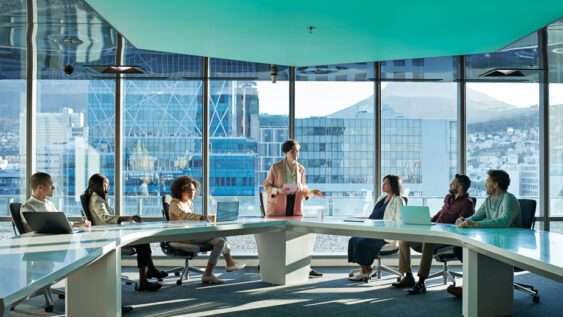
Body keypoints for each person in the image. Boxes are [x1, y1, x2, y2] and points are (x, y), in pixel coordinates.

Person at [392, 174, 475, 294]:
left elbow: (461, 225)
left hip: (447, 238)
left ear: (460, 186)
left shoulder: (467, 203)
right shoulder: (448, 198)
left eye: (453, 183)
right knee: (404, 240)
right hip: (435, 232)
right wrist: (428, 220)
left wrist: (443, 227)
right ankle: (408, 276)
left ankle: (421, 282)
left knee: (428, 241)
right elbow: (441, 213)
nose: (450, 185)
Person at [85, 173, 167, 292]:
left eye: (107, 184)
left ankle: (150, 270)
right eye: (104, 184)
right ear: (98, 185)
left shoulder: (98, 198)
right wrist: (128, 218)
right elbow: (105, 218)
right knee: (142, 243)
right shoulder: (96, 199)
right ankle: (145, 279)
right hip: (106, 236)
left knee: (143, 241)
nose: (107, 187)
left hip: (109, 233)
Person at [447, 169, 521, 298]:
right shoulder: (489, 200)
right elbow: (476, 217)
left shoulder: (508, 198)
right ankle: (473, 286)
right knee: (461, 249)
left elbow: (503, 222)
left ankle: (470, 289)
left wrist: (476, 225)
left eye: (487, 182)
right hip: (494, 239)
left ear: (496, 184)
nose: (485, 185)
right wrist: (464, 220)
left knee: (475, 252)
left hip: (508, 243)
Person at [167, 176, 246, 285]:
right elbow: (185, 216)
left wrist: (204, 221)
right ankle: (228, 263)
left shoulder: (188, 203)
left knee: (220, 240)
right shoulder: (174, 204)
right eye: (189, 190)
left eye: (194, 190)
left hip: (190, 235)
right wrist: (202, 217)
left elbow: (190, 221)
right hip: (181, 237)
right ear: (180, 190)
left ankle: (209, 273)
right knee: (220, 236)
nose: (192, 193)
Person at [263, 139, 324, 277]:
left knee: (299, 238)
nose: (296, 154)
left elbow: (303, 188)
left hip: (295, 205)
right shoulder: (276, 167)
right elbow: (266, 186)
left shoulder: (301, 169)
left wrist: (312, 193)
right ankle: (268, 265)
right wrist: (278, 190)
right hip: (279, 206)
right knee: (275, 239)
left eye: (298, 151)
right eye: (293, 151)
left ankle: (305, 268)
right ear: (286, 153)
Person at [347, 175, 405, 281]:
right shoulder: (382, 198)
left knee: (362, 243)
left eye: (386, 183)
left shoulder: (398, 200)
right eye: (383, 182)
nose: (383, 185)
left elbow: (399, 221)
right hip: (374, 231)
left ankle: (365, 272)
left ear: (393, 185)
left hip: (386, 234)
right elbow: (374, 215)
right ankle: (366, 268)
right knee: (354, 239)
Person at [20, 172, 90, 233]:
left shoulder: (50, 204)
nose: (53, 188)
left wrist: (77, 224)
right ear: (40, 188)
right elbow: (32, 231)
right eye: (51, 185)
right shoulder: (27, 207)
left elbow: (59, 224)